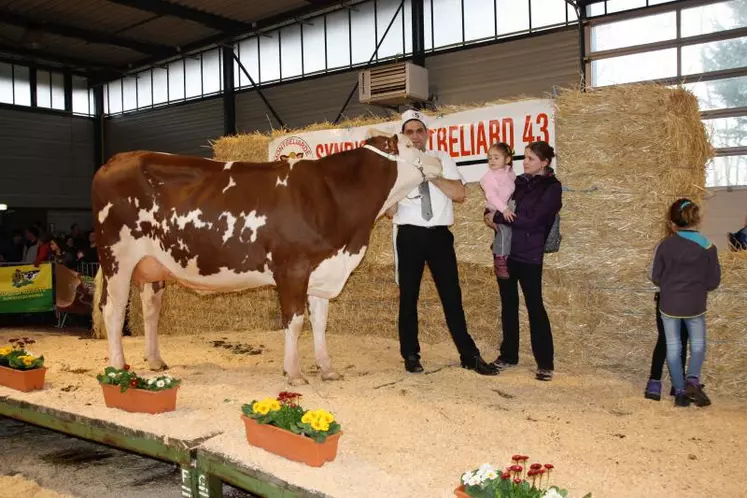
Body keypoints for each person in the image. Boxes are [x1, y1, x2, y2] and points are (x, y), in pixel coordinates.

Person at [387, 109, 497, 376]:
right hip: (409, 234)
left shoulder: (442, 158)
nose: (415, 136)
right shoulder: (396, 164)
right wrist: (401, 184)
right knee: (408, 297)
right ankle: (411, 355)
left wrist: (430, 174)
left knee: (451, 296)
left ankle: (469, 355)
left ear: (427, 134)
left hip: (438, 235)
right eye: (409, 132)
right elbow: (389, 211)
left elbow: (459, 194)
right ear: (403, 136)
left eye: (419, 131)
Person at [484, 141, 561, 381]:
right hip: (506, 252)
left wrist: (498, 217)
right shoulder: (517, 182)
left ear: (545, 163)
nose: (525, 162)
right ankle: (508, 355)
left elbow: (534, 219)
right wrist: (493, 215)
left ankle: (545, 362)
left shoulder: (552, 187)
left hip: (530, 254)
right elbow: (491, 205)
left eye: (531, 159)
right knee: (508, 305)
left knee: (534, 306)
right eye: (525, 157)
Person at [650, 198, 721, 407]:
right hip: (696, 305)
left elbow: (656, 276)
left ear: (672, 223)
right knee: (698, 345)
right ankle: (693, 379)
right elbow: (713, 281)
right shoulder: (708, 246)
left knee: (673, 347)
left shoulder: (665, 245)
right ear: (697, 220)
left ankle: (680, 391)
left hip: (669, 304)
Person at [479, 143, 516, 279]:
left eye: (496, 157)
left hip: (506, 208)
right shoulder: (490, 177)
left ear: (507, 160)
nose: (492, 161)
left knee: (510, 232)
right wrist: (505, 209)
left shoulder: (510, 173)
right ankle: (500, 260)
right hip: (495, 209)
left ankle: (498, 245)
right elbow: (491, 196)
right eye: (489, 158)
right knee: (504, 230)